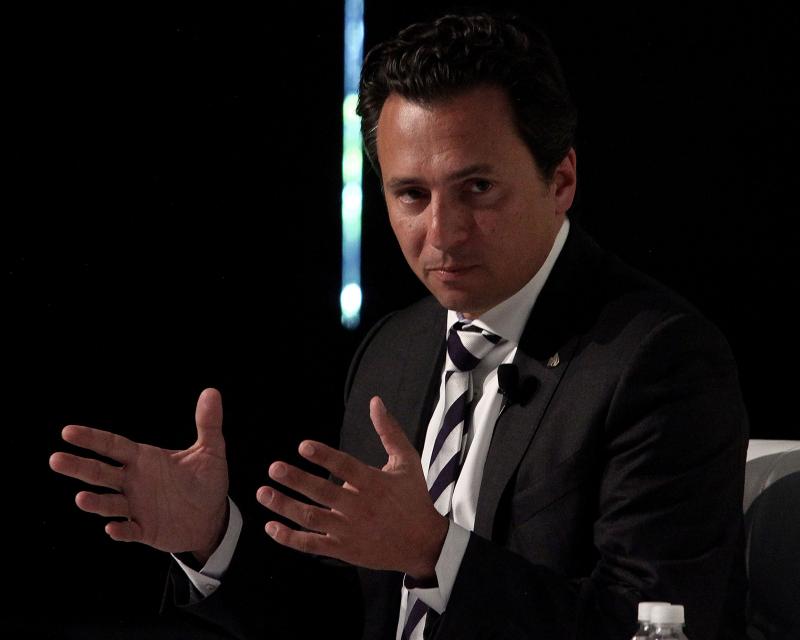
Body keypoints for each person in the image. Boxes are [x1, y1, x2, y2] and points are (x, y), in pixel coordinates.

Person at [49, 12, 749, 640]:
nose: (441, 233)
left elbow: (649, 624)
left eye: (477, 188)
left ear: (561, 179)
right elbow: (348, 617)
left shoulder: (659, 359)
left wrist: (433, 553)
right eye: (411, 194)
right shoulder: (395, 350)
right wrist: (213, 541)